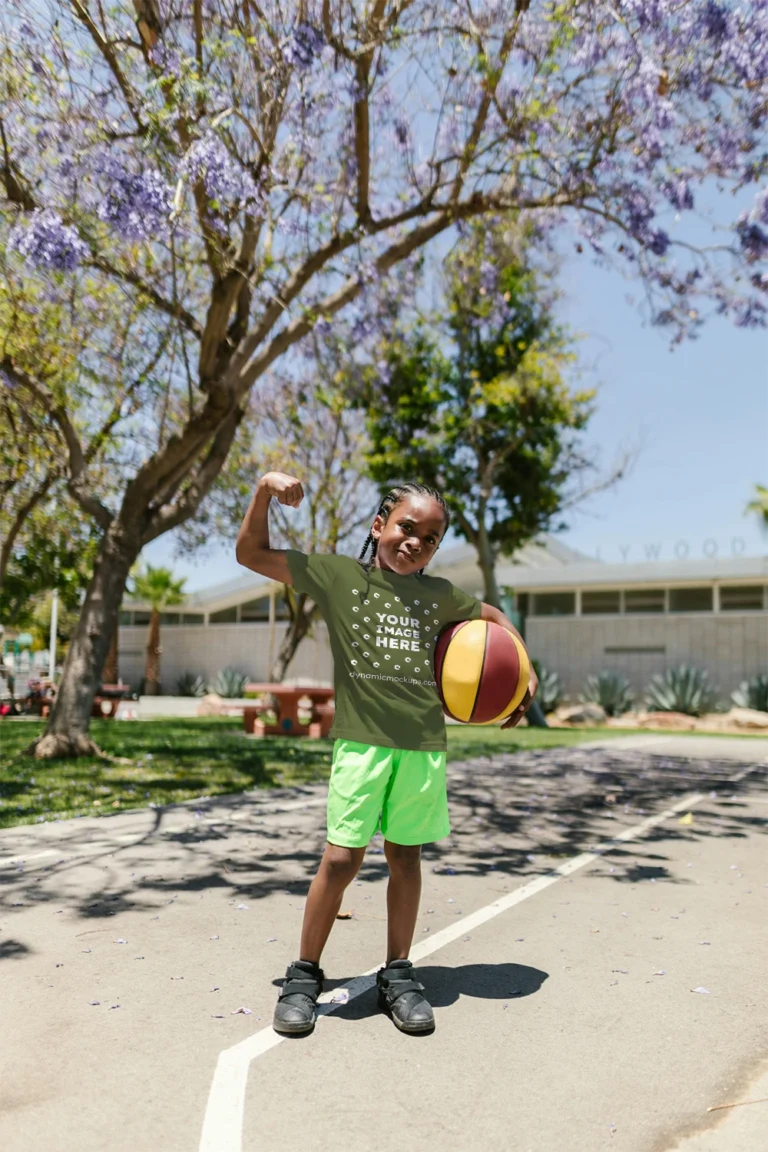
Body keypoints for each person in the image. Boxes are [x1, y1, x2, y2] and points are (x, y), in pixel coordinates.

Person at [235, 470, 538, 1035]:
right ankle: (305, 974)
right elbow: (250, 552)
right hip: (361, 745)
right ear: (379, 526)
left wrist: (524, 672)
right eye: (406, 527)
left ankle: (397, 973)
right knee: (341, 859)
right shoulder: (339, 576)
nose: (416, 542)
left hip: (421, 748)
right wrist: (263, 491)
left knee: (405, 858)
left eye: (430, 537)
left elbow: (494, 619)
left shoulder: (442, 596)